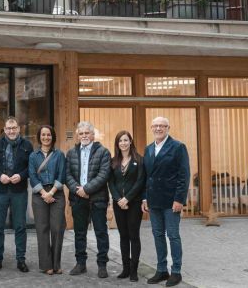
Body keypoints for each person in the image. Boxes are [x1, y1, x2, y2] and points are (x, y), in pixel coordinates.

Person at [142, 117, 190, 287]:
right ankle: (162, 269)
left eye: (162, 126)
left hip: (171, 201)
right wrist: (144, 197)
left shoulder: (178, 147)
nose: (158, 128)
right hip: (154, 200)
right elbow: (146, 177)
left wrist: (179, 199)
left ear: (168, 128)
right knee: (158, 235)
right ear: (151, 128)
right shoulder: (148, 149)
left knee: (173, 235)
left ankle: (176, 271)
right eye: (155, 125)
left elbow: (184, 176)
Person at [65, 120, 112, 278]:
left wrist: (87, 189)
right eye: (81, 133)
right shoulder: (71, 153)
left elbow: (104, 174)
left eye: (87, 133)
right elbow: (67, 175)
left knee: (100, 232)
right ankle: (80, 264)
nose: (84, 135)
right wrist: (78, 190)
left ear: (92, 135)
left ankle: (102, 265)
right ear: (78, 135)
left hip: (97, 199)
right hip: (78, 199)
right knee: (79, 232)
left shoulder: (103, 152)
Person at [0, 117, 33, 272]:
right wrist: (0, 176)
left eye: (14, 128)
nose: (11, 131)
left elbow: (31, 167)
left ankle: (21, 260)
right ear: (4, 130)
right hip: (0, 191)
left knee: (20, 226)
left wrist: (21, 175)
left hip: (19, 191)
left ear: (18, 129)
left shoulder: (27, 145)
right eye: (8, 128)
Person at [28, 125, 66, 276]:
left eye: (48, 135)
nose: (46, 137)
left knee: (57, 229)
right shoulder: (33, 156)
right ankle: (46, 265)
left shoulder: (59, 154)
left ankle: (56, 264)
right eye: (43, 135)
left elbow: (62, 175)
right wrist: (44, 193)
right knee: (42, 230)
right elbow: (32, 176)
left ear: (53, 136)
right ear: (39, 137)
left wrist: (51, 192)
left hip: (57, 193)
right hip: (39, 194)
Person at [108, 130, 145, 282]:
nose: (123, 143)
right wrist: (118, 199)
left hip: (134, 203)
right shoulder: (113, 161)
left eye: (125, 140)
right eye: (120, 141)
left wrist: (127, 198)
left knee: (133, 236)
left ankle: (134, 271)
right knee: (123, 236)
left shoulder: (139, 160)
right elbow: (111, 182)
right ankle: (125, 269)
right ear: (117, 144)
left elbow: (140, 181)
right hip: (118, 204)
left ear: (130, 141)